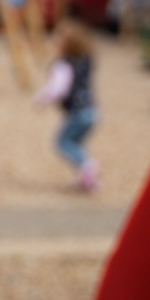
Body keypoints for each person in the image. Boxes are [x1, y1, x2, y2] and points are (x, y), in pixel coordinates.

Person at [35, 19, 100, 192]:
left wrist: (43, 99)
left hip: (78, 112)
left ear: (65, 44)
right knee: (76, 144)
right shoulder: (85, 60)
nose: (52, 40)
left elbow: (58, 88)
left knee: (62, 142)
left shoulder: (62, 65)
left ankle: (88, 166)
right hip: (92, 112)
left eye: (56, 38)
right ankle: (86, 179)